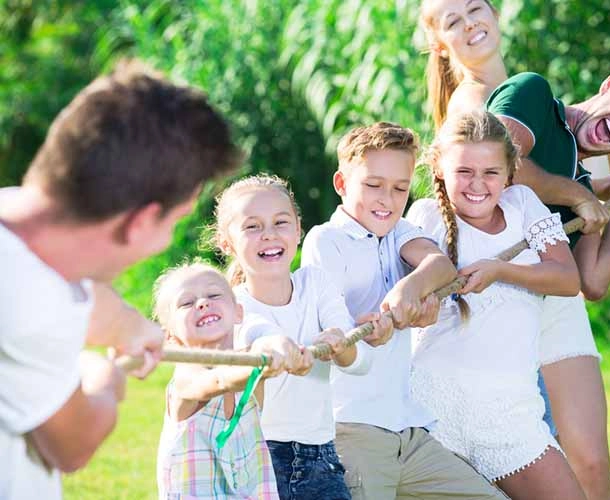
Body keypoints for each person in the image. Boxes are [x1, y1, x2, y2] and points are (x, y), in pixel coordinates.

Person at [420, 3, 610, 498]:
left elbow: (593, 281)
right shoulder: (534, 95)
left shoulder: (584, 176)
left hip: (535, 301)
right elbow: (504, 163)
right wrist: (582, 196)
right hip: (480, 295)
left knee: (590, 460)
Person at [0, 60, 241, 499]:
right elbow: (74, 445)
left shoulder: (14, 221)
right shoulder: (32, 306)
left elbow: (78, 290)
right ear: (142, 221)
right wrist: (102, 379)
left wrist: (128, 322)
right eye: (176, 220)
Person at [301, 122, 509, 499]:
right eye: (373, 185)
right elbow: (334, 329)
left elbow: (440, 265)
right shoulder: (326, 240)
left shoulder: (399, 231)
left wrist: (411, 290)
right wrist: (376, 332)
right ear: (342, 184)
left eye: (400, 188)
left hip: (407, 430)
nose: (387, 199)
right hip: (352, 429)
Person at [407, 110, 584, 500]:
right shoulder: (426, 217)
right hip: (435, 407)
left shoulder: (523, 204)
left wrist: (500, 270)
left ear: (510, 172)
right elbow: (416, 290)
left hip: (508, 411)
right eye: (464, 171)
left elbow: (568, 279)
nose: (477, 184)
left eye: (490, 172)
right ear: (438, 166)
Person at [214, 174, 379, 500]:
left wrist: (341, 345)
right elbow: (258, 332)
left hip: (321, 456)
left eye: (280, 222)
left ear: (298, 229)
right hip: (258, 457)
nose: (269, 235)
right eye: (252, 227)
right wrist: (275, 347)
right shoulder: (233, 306)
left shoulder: (314, 284)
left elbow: (362, 361)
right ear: (227, 243)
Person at [153, 262, 300, 499]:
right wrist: (262, 364)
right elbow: (220, 380)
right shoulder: (186, 378)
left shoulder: (250, 366)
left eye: (213, 294)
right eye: (187, 303)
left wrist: (277, 345)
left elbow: (263, 345)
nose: (203, 303)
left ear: (238, 312)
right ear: (170, 337)